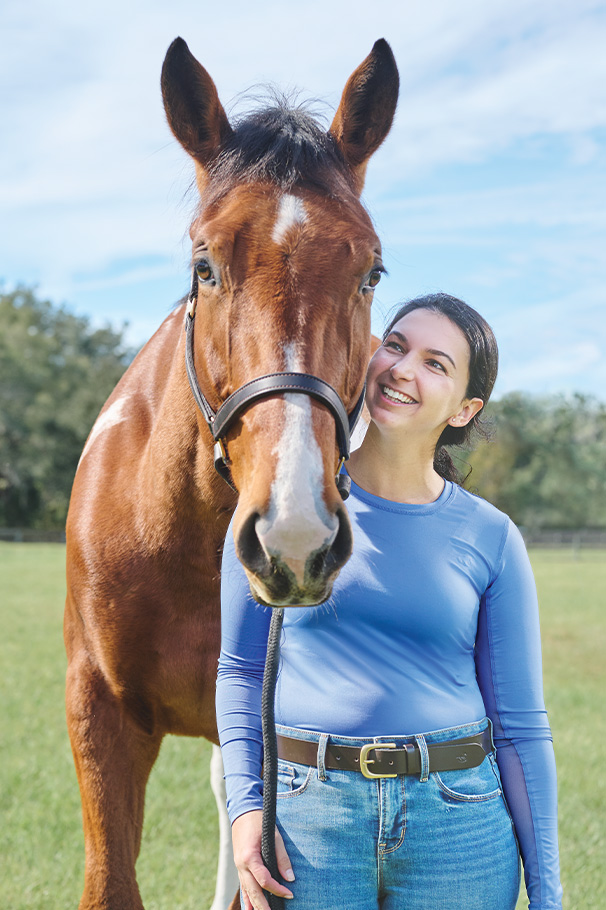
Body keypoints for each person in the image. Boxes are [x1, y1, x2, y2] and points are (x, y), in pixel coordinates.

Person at [216, 293, 562, 910]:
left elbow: (520, 727)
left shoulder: (491, 537)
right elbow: (239, 673)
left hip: (459, 823)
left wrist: (548, 891)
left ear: (465, 409)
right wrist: (246, 809)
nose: (403, 368)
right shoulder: (284, 512)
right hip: (307, 819)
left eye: (436, 363)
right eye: (396, 346)